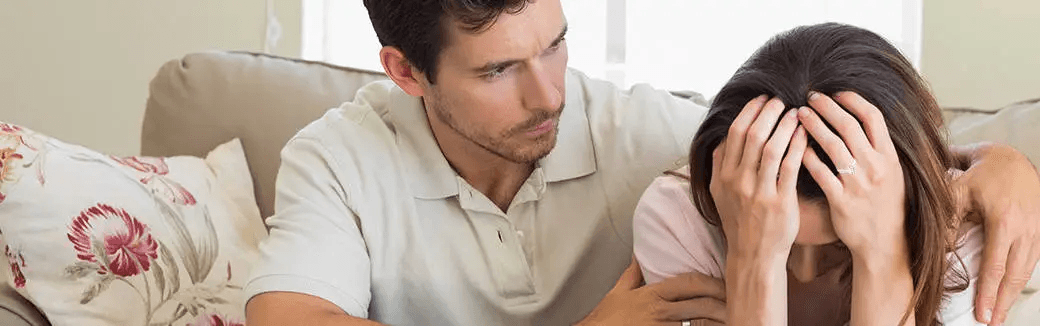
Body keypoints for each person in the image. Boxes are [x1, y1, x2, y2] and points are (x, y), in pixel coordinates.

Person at [243, 1, 1040, 325]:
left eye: (555, 44)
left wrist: (990, 160)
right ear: (406, 72)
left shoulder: (648, 136)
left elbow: (814, 156)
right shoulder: (339, 159)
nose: (549, 94)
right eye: (497, 72)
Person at [633, 22, 1028, 325]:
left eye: (835, 249)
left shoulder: (964, 237)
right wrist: (754, 264)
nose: (804, 272)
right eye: (785, 245)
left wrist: (883, 257)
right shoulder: (679, 220)